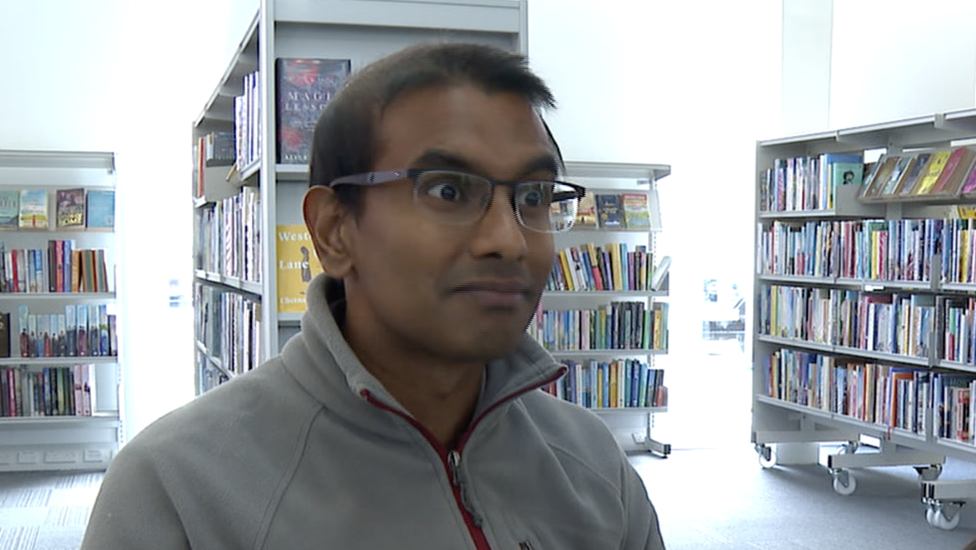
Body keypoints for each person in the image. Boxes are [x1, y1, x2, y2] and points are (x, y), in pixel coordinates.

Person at [81, 42, 666, 549]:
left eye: (533, 196)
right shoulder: (179, 491)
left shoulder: (593, 464)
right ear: (335, 231)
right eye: (447, 190)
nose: (509, 240)